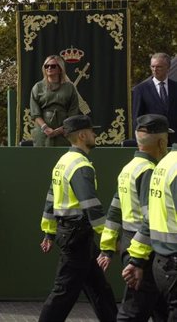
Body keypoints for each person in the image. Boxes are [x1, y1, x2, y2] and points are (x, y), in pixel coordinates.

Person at [39, 115, 117, 322]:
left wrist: (49, 231)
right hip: (77, 237)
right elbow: (91, 205)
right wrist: (108, 238)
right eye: (92, 131)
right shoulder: (81, 165)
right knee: (63, 293)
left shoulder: (63, 162)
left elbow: (50, 198)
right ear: (82, 135)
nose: (95, 134)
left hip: (73, 235)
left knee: (100, 289)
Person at [96, 114, 170, 321]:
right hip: (145, 250)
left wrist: (107, 247)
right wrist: (138, 259)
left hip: (131, 243)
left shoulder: (128, 169)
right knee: (133, 312)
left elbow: (114, 211)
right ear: (162, 142)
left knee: (160, 309)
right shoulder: (150, 171)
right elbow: (151, 219)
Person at [29, 54, 81, 147]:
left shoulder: (69, 87)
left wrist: (62, 129)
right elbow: (35, 113)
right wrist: (45, 128)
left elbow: (73, 112)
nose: (49, 68)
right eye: (46, 66)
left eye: (53, 66)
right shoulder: (38, 87)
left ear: (60, 69)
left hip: (64, 131)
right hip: (43, 131)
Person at [132, 52, 177, 145]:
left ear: (168, 67)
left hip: (174, 141)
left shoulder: (175, 87)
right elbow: (137, 120)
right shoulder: (140, 90)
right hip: (153, 141)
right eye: (152, 66)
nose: (155, 69)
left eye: (159, 67)